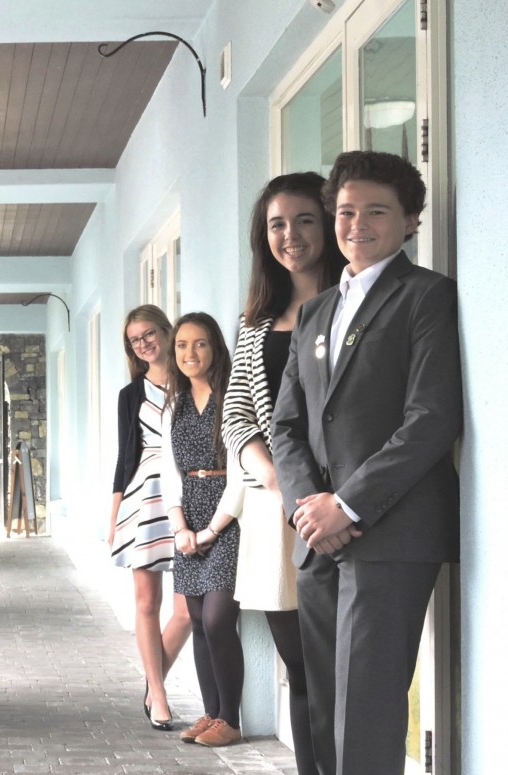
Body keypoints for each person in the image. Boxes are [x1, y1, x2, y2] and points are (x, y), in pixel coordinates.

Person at [272, 150, 461, 775]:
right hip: (318, 537)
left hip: (389, 533)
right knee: (324, 706)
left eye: (376, 211)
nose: (357, 225)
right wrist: (308, 507)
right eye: (345, 212)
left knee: (370, 708)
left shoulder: (427, 295)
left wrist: (345, 504)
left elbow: (430, 419)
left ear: (410, 220)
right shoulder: (316, 311)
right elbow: (287, 425)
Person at [221, 172, 345, 774]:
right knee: (300, 667)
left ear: (328, 224)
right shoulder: (254, 322)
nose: (290, 235)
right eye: (276, 224)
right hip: (278, 512)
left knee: (348, 669)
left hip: (349, 505)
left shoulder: (354, 300)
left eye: (304, 220)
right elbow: (236, 416)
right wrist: (275, 479)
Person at [160, 312, 245, 748]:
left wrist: (212, 529)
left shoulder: (232, 398)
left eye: (200, 344)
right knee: (196, 619)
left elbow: (242, 472)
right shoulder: (172, 405)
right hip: (186, 518)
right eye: (182, 345)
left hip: (228, 517)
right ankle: (211, 715)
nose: (190, 353)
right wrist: (180, 528)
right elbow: (167, 472)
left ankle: (230, 719)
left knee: (217, 619)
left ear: (215, 349)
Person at [105, 304, 191, 732]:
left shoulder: (193, 378)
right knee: (145, 603)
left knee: (188, 610)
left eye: (148, 334)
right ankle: (158, 694)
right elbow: (125, 458)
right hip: (144, 500)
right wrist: (115, 516)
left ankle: (152, 680)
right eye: (134, 340)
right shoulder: (130, 394)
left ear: (165, 330)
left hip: (189, 496)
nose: (143, 344)